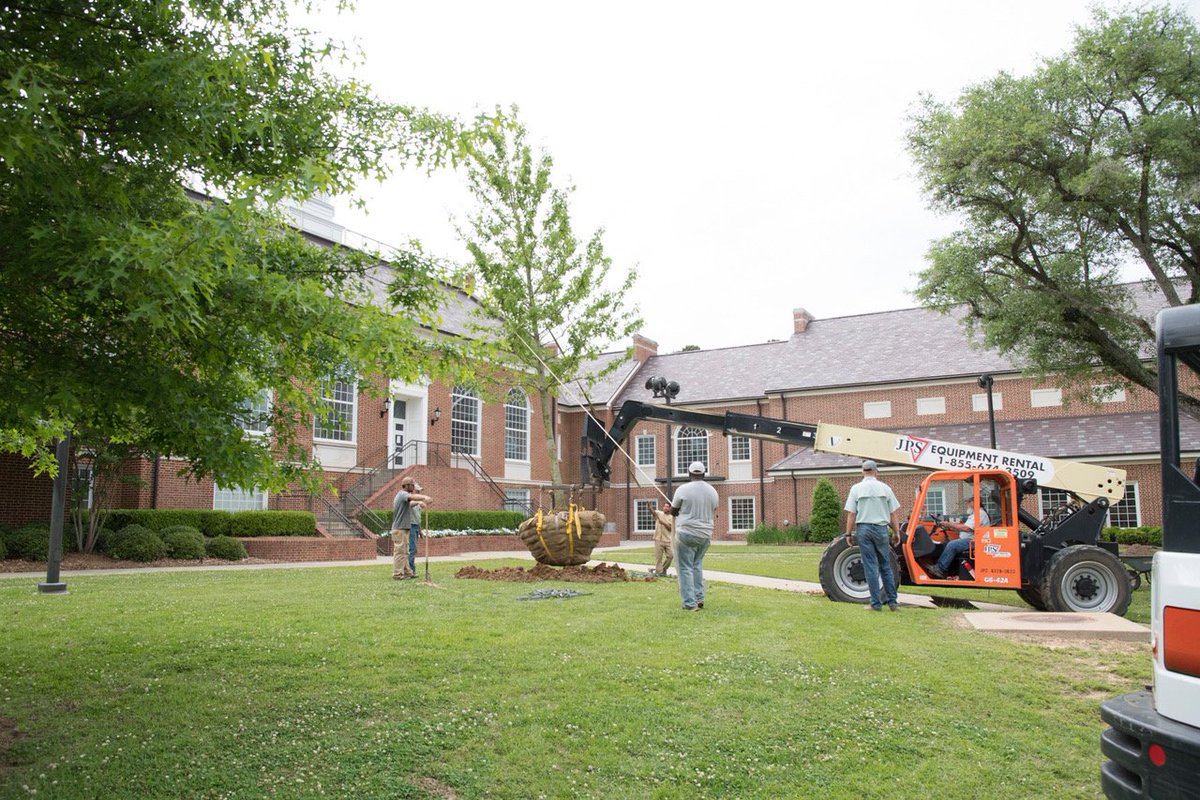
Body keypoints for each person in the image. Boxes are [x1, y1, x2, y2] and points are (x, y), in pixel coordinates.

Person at [844, 460, 902, 611]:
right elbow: (893, 514)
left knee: (870, 566)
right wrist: (896, 532)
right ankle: (893, 602)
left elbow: (851, 513)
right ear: (876, 471)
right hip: (881, 529)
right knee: (885, 565)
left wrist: (848, 534)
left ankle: (875, 603)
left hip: (864, 529)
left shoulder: (856, 489)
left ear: (863, 472)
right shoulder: (885, 488)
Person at [670, 461, 720, 611]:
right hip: (705, 535)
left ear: (689, 473)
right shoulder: (713, 491)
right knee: (697, 565)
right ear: (704, 474)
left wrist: (679, 511)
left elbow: (673, 511)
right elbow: (714, 508)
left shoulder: (682, 489)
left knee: (685, 568)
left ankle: (689, 603)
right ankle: (699, 598)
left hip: (686, 533)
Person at [927, 488, 990, 579]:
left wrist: (949, 524)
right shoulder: (976, 514)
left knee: (952, 545)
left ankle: (940, 569)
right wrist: (950, 526)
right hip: (971, 539)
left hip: (975, 541)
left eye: (969, 501)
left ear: (974, 502)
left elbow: (966, 528)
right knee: (946, 544)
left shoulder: (980, 514)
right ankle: (947, 571)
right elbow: (966, 527)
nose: (968, 504)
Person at [390, 477, 431, 580]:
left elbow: (412, 503)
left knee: (405, 552)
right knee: (400, 552)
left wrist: (419, 502)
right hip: (399, 528)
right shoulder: (403, 494)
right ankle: (397, 574)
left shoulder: (404, 497)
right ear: (407, 485)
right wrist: (424, 497)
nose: (413, 487)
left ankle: (408, 572)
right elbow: (412, 497)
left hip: (403, 528)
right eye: (412, 485)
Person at [651, 499, 675, 577]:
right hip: (658, 539)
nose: (665, 508)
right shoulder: (659, 513)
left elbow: (671, 528)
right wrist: (649, 507)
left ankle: (663, 570)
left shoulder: (672, 518)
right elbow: (653, 512)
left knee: (671, 556)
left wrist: (663, 523)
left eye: (667, 507)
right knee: (659, 558)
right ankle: (659, 572)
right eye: (664, 506)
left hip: (668, 540)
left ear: (670, 508)